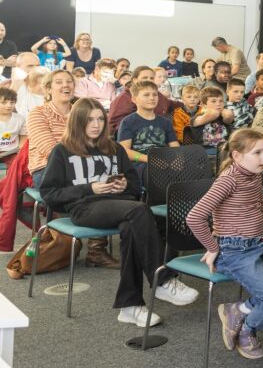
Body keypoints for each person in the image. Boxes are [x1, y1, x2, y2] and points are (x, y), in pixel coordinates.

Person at [39, 98, 199, 325]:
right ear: (77, 122)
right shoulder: (63, 151)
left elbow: (135, 187)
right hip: (85, 207)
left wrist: (124, 186)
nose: (96, 125)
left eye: (100, 119)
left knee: (132, 226)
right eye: (89, 120)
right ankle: (162, 279)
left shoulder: (114, 149)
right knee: (140, 212)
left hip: (121, 206)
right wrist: (90, 188)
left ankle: (130, 305)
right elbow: (49, 195)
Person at [187, 128, 263, 359]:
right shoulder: (228, 180)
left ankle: (239, 310)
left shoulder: (253, 174)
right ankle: (247, 330)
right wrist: (213, 248)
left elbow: (262, 206)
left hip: (260, 242)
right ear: (236, 156)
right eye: (257, 153)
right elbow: (194, 217)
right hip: (234, 251)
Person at [117, 80, 180, 181]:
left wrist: (178, 159)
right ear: (134, 99)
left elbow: (175, 147)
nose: (152, 98)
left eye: (155, 94)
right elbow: (124, 151)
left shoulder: (165, 122)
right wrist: (149, 159)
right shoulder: (128, 122)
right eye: (146, 95)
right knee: (158, 174)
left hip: (164, 159)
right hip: (140, 164)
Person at [26, 69, 74, 187]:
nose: (66, 85)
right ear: (48, 89)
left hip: (81, 164)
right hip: (47, 168)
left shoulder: (81, 113)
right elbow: (51, 151)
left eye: (69, 81)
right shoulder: (38, 113)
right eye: (58, 82)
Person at [108, 66, 178, 134]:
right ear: (135, 80)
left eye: (151, 78)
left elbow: (170, 104)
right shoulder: (124, 98)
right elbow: (116, 125)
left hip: (161, 134)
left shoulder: (156, 94)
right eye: (145, 78)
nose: (149, 80)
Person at [190, 86, 231, 152]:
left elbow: (229, 115)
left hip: (224, 149)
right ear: (203, 105)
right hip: (205, 152)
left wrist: (222, 111)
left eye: (221, 101)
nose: (218, 104)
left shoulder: (223, 116)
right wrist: (206, 110)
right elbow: (214, 113)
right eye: (213, 101)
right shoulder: (196, 118)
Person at [0, 86, 26, 166]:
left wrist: (20, 150)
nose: (9, 106)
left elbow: (23, 137)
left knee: (20, 165)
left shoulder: (20, 118)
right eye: (4, 103)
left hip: (12, 152)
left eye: (12, 102)